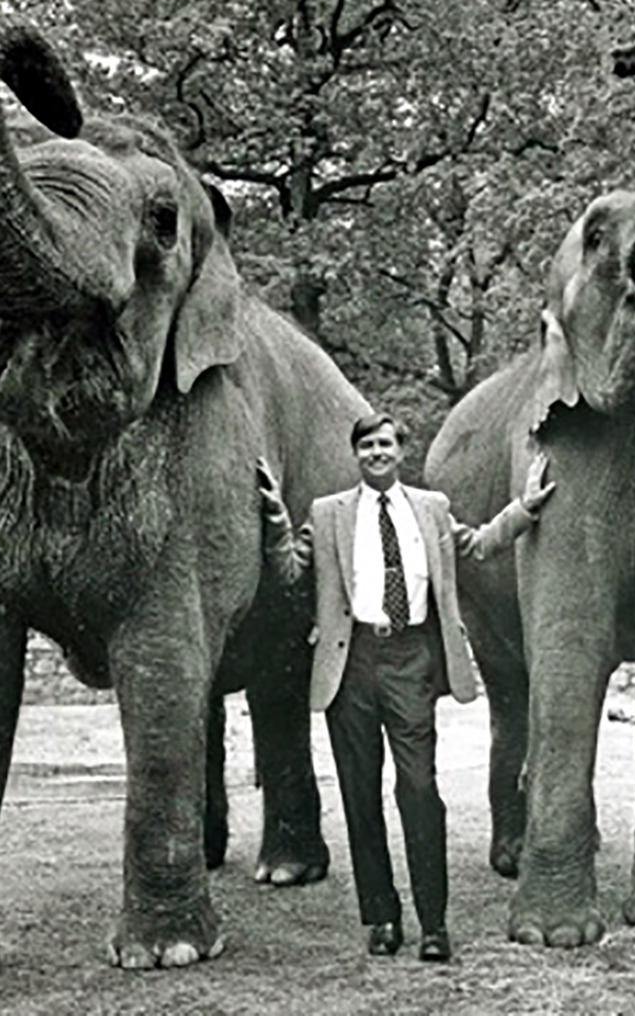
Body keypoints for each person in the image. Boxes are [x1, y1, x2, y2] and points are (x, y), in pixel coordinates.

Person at [257, 412, 554, 963]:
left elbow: (481, 544)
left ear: (400, 451)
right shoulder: (327, 514)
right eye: (366, 445)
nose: (376, 453)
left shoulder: (431, 508)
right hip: (350, 664)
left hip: (412, 660)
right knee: (360, 797)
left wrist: (526, 508)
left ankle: (434, 925)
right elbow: (292, 569)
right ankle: (383, 919)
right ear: (357, 454)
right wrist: (276, 520)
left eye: (385, 443)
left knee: (419, 789)